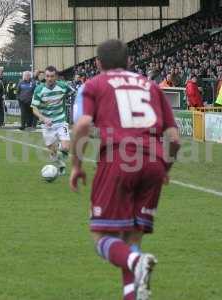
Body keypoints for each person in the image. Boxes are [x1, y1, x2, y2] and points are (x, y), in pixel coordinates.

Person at [69, 39, 180, 300]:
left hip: (118, 160)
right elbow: (174, 138)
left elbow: (83, 124)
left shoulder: (94, 85)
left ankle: (135, 262)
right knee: (132, 242)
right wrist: (165, 167)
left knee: (101, 236)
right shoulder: (152, 86)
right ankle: (134, 289)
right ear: (129, 61)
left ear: (98, 63)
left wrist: (76, 165)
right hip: (153, 162)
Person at [31, 66, 74, 175]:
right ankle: (60, 165)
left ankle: (62, 147)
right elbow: (34, 108)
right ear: (45, 76)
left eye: (52, 76)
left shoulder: (63, 86)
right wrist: (43, 118)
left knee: (65, 147)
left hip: (61, 121)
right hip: (47, 125)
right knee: (53, 151)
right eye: (47, 76)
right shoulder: (39, 89)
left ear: (56, 77)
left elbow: (74, 93)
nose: (49, 78)